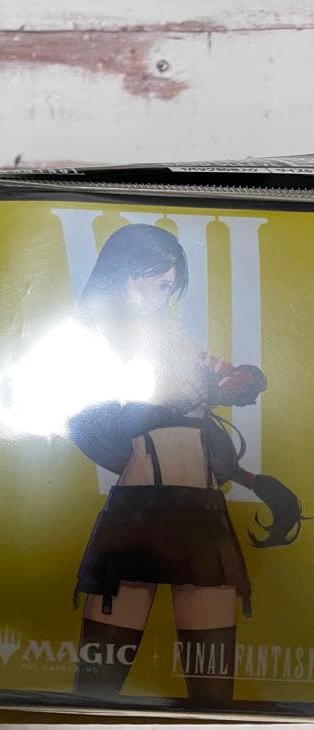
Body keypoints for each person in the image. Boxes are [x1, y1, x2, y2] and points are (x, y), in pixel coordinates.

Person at [66, 223, 301, 705]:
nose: (165, 291)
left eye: (171, 283)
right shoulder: (97, 335)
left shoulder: (175, 336)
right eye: (157, 279)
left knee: (213, 691)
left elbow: (216, 405)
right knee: (97, 688)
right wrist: (182, 401)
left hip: (201, 514)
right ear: (126, 273)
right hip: (140, 513)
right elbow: (89, 418)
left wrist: (253, 479)